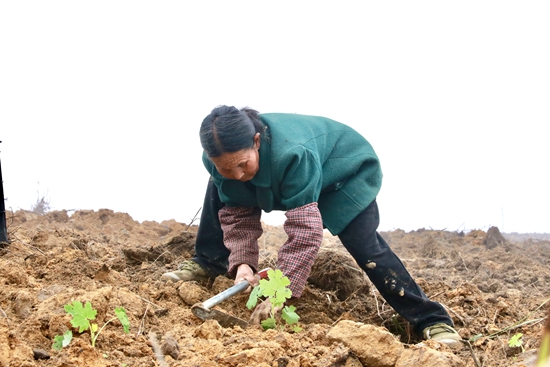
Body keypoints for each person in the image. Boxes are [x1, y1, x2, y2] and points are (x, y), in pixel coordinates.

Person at [162, 105, 461, 345]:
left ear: (256, 142)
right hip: (292, 171)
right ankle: (210, 261)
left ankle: (431, 319)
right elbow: (238, 214)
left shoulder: (292, 154)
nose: (238, 174)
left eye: (243, 164)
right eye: (225, 166)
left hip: (343, 173)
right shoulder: (222, 164)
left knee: (366, 247)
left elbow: (305, 232)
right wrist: (243, 264)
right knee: (219, 187)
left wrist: (282, 290)